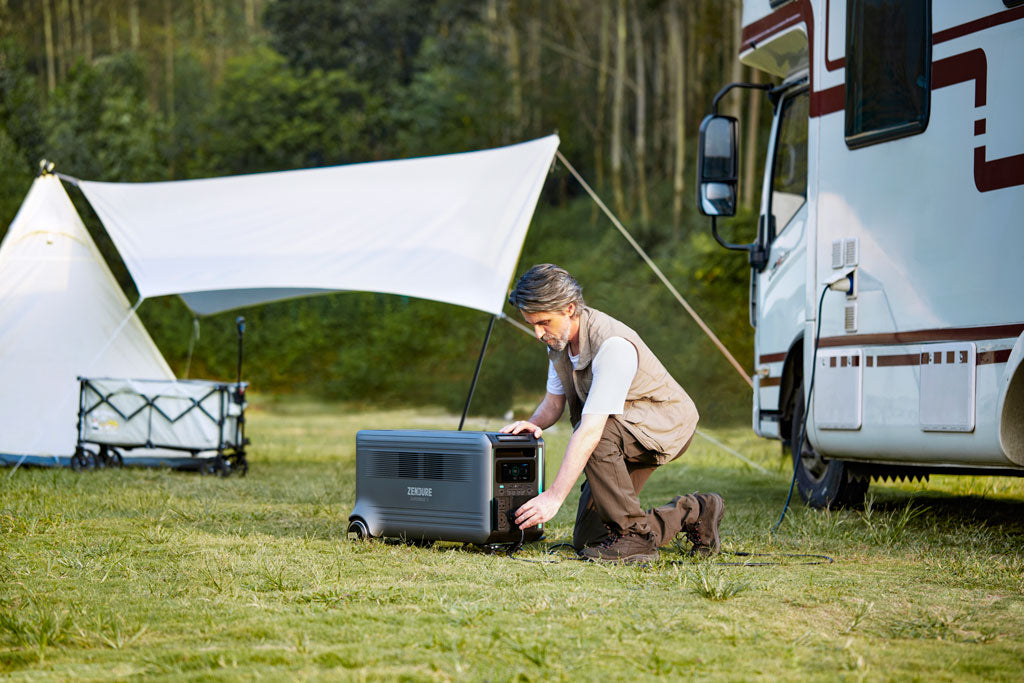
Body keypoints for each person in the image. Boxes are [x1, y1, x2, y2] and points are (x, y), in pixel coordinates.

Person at [500, 264, 724, 563]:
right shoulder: (558, 342)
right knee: (592, 540)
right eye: (532, 324)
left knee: (595, 435)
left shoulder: (613, 346)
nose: (538, 333)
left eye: (543, 323)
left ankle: (635, 538)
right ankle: (695, 511)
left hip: (665, 426)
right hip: (619, 432)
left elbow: (592, 431)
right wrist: (531, 424)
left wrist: (554, 497)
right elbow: (553, 404)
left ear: (569, 309)